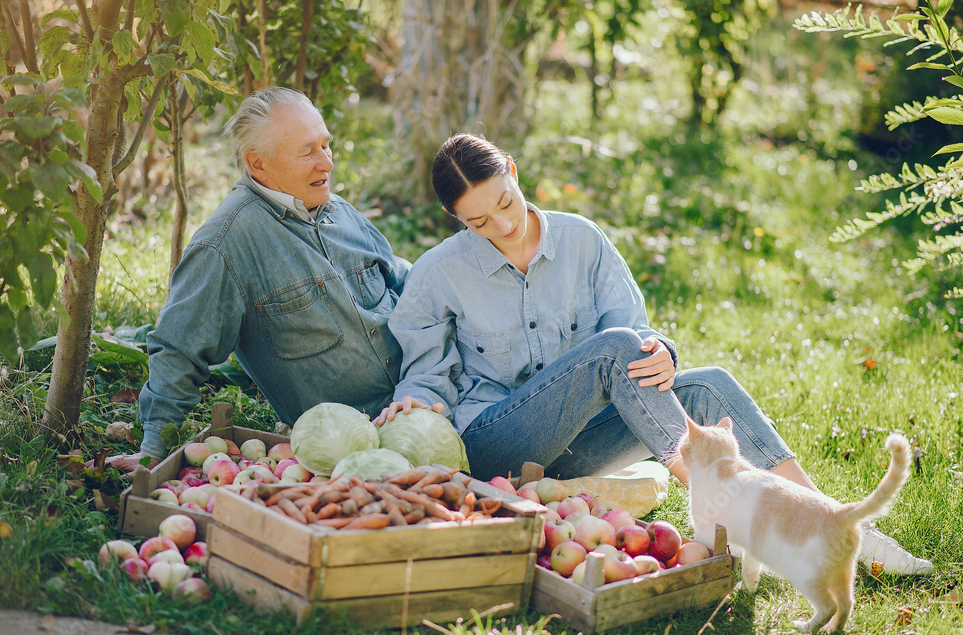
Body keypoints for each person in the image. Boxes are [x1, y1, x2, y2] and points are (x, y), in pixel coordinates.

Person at [373, 132, 932, 576]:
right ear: (458, 222)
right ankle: (730, 511)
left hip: (584, 444)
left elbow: (633, 334)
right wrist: (417, 400)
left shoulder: (582, 240)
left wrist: (660, 352)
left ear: (514, 173)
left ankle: (827, 520)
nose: (503, 225)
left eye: (505, 203)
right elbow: (426, 372)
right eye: (479, 222)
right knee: (616, 353)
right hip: (501, 448)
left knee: (706, 383)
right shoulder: (440, 272)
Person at [101, 87, 429, 472]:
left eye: (327, 146)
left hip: (434, 389)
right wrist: (154, 448)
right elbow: (180, 348)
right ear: (259, 165)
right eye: (308, 151)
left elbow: (410, 286)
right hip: (367, 438)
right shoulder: (226, 244)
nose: (327, 163)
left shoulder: (340, 211)